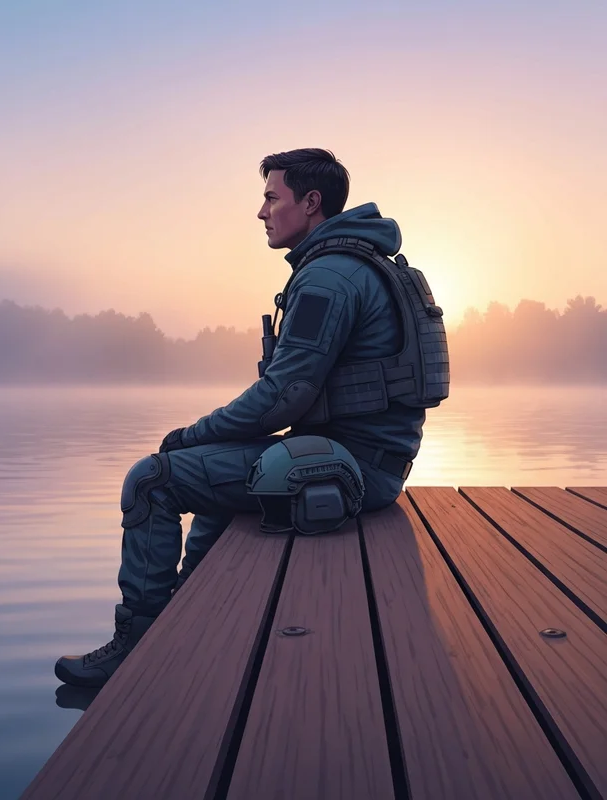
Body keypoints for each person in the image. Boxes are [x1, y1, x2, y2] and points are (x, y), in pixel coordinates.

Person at [55, 148, 448, 688]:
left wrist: (188, 435)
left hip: (350, 470)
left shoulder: (328, 278)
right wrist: (205, 441)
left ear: (310, 203)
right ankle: (184, 617)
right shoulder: (357, 263)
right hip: (370, 461)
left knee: (151, 480)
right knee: (211, 469)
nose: (261, 212)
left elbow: (283, 396)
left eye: (271, 198)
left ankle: (134, 646)